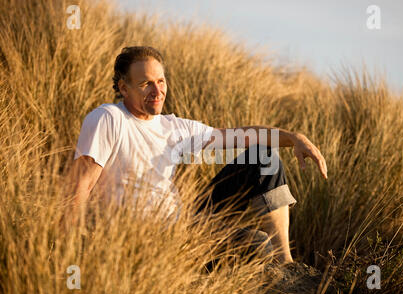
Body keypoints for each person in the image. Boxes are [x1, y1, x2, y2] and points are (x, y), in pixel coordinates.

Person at [67, 46, 328, 265]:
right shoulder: (108, 119)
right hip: (137, 240)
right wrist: (71, 251)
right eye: (146, 83)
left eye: (161, 81)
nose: (157, 92)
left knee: (263, 158)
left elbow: (240, 136)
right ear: (124, 88)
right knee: (256, 245)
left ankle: (286, 266)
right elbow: (80, 185)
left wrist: (294, 138)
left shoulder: (174, 127)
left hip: (184, 225)